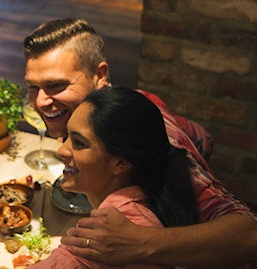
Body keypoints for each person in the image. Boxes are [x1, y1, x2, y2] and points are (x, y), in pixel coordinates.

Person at [23, 18, 257, 268]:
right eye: (33, 87)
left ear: (100, 75)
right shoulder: (111, 109)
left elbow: (249, 233)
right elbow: (202, 137)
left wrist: (140, 242)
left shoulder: (161, 140)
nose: (40, 102)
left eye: (56, 85)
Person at [32, 86, 199, 268]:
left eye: (79, 143)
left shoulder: (99, 242)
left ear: (121, 163)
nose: (61, 150)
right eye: (67, 137)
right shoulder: (142, 205)